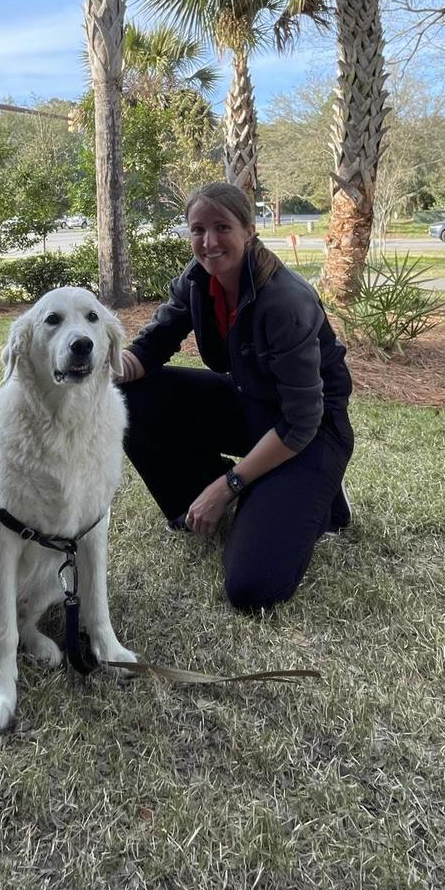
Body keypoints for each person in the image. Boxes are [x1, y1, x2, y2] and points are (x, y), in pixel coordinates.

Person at [116, 182, 353, 612]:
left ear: (249, 229)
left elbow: (302, 421)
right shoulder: (195, 281)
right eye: (197, 229)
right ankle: (210, 496)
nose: (208, 242)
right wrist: (104, 368)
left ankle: (320, 495)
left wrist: (229, 485)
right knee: (130, 396)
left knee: (252, 588)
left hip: (311, 430)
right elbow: (149, 349)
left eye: (222, 227)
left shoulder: (285, 300)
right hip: (250, 404)